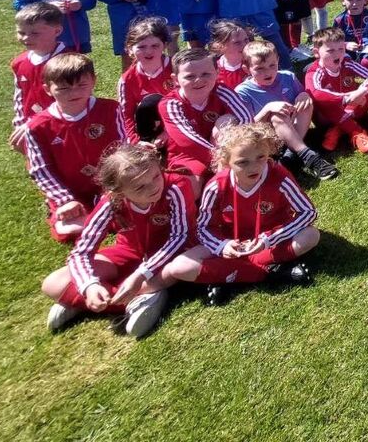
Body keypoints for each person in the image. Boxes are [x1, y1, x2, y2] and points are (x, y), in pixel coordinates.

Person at [41, 145, 194, 337]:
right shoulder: (110, 202)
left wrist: (141, 275)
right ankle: (127, 299)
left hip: (169, 254)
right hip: (128, 251)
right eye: (140, 186)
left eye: (156, 176)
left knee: (177, 270)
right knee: (52, 283)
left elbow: (180, 237)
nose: (154, 186)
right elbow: (82, 250)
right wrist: (89, 286)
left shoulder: (175, 187)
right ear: (119, 192)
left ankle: (79, 300)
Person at [166, 123, 318, 306]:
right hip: (232, 242)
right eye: (242, 162)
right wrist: (223, 245)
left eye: (261, 157)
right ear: (226, 161)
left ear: (269, 152)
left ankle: (227, 277)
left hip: (270, 239)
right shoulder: (216, 186)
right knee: (179, 267)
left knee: (311, 235)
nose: (253, 167)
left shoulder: (279, 176)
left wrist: (268, 240)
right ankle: (270, 272)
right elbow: (202, 227)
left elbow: (308, 212)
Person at [22, 53, 125, 243]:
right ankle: (85, 213)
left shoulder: (111, 109)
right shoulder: (37, 126)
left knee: (132, 213)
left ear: (93, 81)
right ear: (47, 89)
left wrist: (112, 187)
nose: (74, 93)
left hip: (108, 185)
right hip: (71, 191)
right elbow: (40, 169)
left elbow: (122, 150)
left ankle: (99, 214)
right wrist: (64, 200)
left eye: (81, 85)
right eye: (63, 88)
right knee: (68, 231)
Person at [157, 48, 252, 196]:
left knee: (227, 121)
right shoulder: (170, 104)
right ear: (175, 80)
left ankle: (227, 195)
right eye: (190, 76)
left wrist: (234, 154)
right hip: (188, 155)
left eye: (206, 74)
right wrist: (223, 158)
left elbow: (246, 119)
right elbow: (187, 140)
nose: (199, 80)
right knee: (191, 187)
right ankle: (198, 211)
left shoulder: (222, 92)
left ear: (217, 72)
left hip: (225, 150)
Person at [236, 41, 337, 180]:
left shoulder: (287, 77)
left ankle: (291, 155)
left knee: (305, 103)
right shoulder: (243, 91)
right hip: (268, 138)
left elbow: (302, 101)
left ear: (278, 60)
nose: (268, 72)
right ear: (247, 69)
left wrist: (303, 94)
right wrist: (268, 109)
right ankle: (310, 157)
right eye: (260, 69)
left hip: (294, 128)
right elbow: (247, 127)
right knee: (277, 115)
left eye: (272, 65)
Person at [305, 27, 368, 153]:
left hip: (350, 108)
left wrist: (361, 92)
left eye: (341, 49)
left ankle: (338, 130)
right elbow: (316, 93)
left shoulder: (346, 63)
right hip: (326, 117)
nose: (337, 54)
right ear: (316, 52)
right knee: (327, 102)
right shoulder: (314, 71)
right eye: (330, 50)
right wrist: (346, 97)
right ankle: (356, 132)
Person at [11, 2, 66, 148]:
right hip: (32, 126)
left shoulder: (67, 61)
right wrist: (20, 123)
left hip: (62, 126)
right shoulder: (19, 62)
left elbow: (73, 98)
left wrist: (34, 122)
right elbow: (20, 96)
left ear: (57, 31)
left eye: (34, 33)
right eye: (21, 32)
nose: (26, 38)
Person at [117, 17, 176, 144]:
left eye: (155, 45)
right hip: (149, 131)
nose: (148, 51)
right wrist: (136, 142)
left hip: (179, 124)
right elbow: (125, 115)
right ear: (130, 49)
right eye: (141, 47)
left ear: (164, 45)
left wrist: (168, 132)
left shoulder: (177, 68)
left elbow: (188, 104)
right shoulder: (127, 79)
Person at [208, 19, 253, 91]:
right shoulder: (214, 69)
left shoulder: (255, 64)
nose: (244, 45)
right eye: (237, 43)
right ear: (221, 46)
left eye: (246, 40)